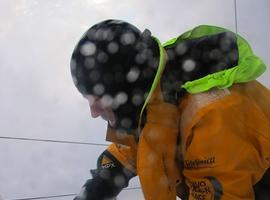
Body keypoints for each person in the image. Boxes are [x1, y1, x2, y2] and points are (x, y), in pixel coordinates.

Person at [70, 19, 270, 200]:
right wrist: (101, 183)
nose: (93, 112)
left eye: (97, 99)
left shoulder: (212, 115)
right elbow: (134, 143)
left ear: (122, 89)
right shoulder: (152, 85)